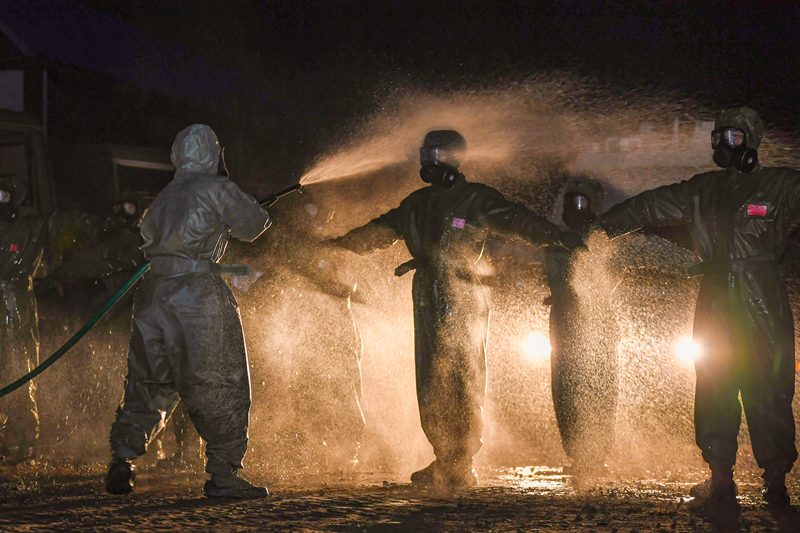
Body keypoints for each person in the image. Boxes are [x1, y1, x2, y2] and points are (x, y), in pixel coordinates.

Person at [330, 130, 583, 489]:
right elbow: (379, 230)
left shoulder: (477, 199)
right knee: (432, 375)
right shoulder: (416, 203)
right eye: (424, 156)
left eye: (432, 156)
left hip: (464, 291)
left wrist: (559, 235)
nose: (426, 163)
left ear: (450, 159)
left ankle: (459, 461)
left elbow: (519, 221)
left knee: (463, 373)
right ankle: (445, 457)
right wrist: (337, 246)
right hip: (428, 291)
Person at [602, 107, 798, 510]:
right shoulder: (701, 189)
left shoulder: (782, 184)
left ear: (752, 142)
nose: (725, 145)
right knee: (714, 386)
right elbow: (648, 205)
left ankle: (776, 481)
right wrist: (602, 227)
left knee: (769, 386)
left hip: (762, 297)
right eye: (719, 138)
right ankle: (720, 478)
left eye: (735, 138)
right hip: (715, 298)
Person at [105, 124, 271, 498]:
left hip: (152, 295)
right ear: (213, 154)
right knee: (221, 380)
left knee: (149, 379)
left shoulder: (163, 196)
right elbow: (254, 225)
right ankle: (224, 477)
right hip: (196, 294)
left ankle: (123, 458)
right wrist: (231, 195)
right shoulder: (215, 188)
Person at [545, 177, 619, 477]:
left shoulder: (605, 241)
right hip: (562, 323)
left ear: (594, 206)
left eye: (581, 202)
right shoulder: (554, 240)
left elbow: (615, 277)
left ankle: (596, 454)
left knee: (600, 388)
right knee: (565, 388)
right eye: (569, 202)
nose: (573, 209)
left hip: (597, 323)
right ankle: (577, 453)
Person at [0, 178, 50, 464]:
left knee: (20, 372)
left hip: (16, 308)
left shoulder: (27, 229)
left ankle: (24, 439)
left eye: (3, 194)